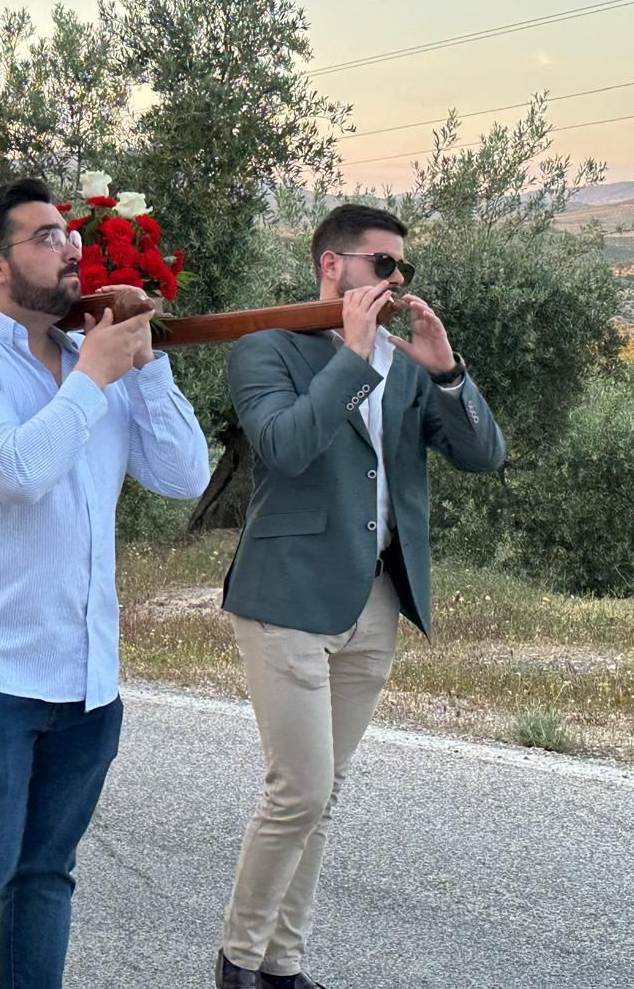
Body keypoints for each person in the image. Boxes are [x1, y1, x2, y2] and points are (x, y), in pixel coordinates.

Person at [0, 178, 211, 988]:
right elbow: (17, 472)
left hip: (85, 670)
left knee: (45, 874)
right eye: (46, 237)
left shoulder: (85, 360)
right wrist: (97, 376)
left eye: (70, 232)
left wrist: (144, 364)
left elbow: (182, 475)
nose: (71, 247)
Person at [213, 204, 507, 989]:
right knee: (299, 789)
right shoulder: (263, 351)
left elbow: (485, 455)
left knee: (325, 795)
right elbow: (285, 446)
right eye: (384, 266)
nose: (397, 280)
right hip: (287, 598)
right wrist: (351, 354)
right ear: (333, 267)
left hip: (377, 601)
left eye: (402, 269)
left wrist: (446, 371)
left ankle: (283, 963)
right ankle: (238, 959)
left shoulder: (409, 365)